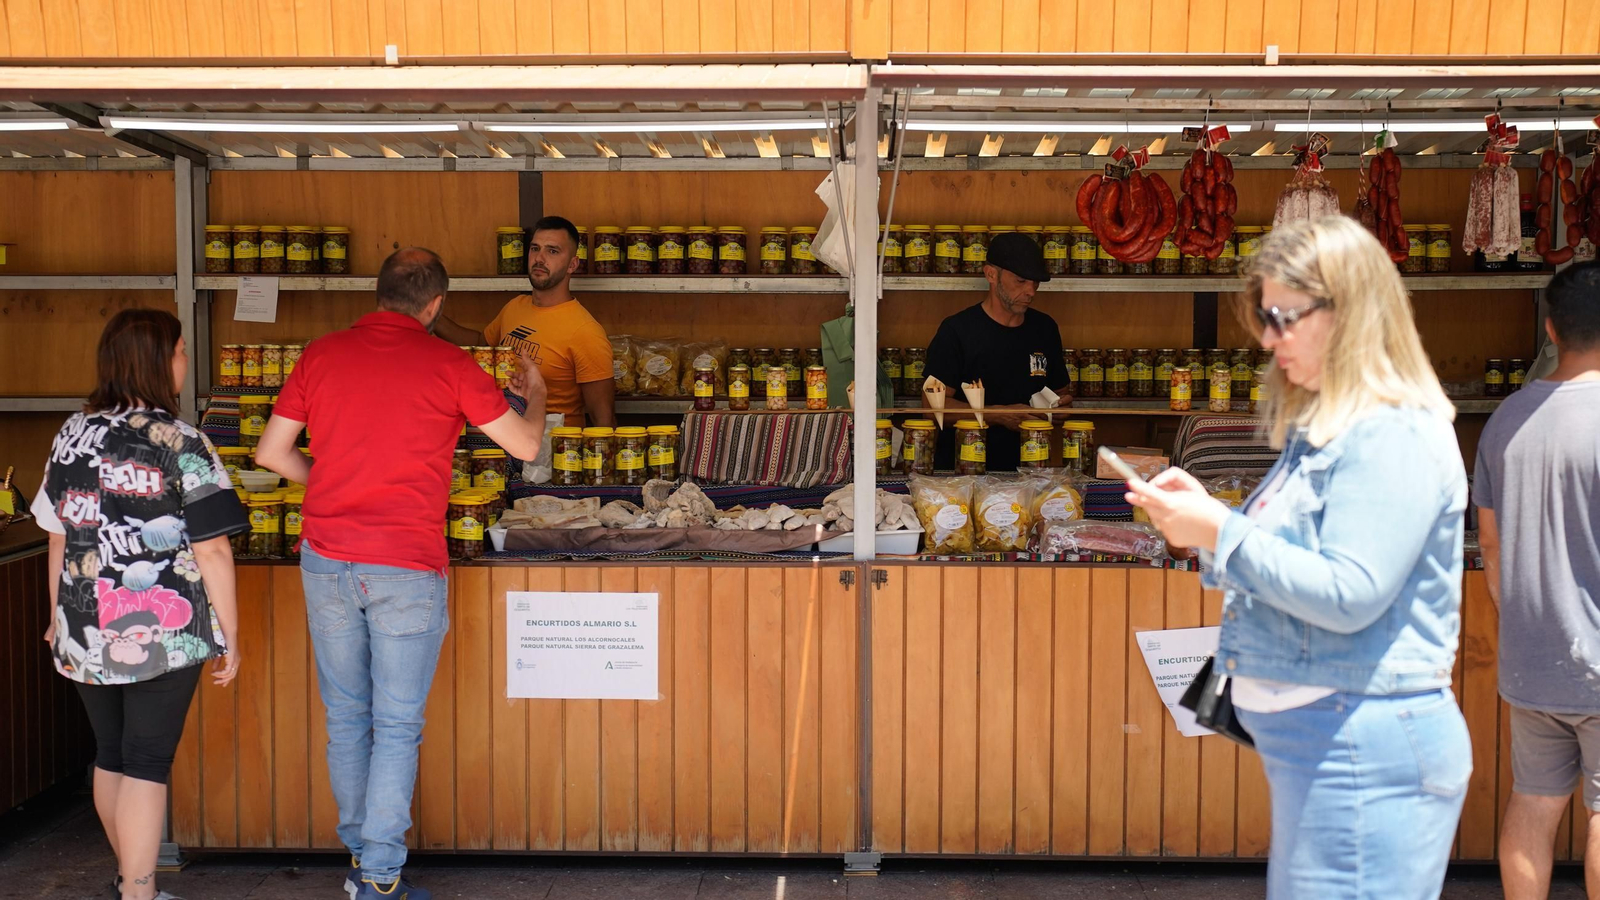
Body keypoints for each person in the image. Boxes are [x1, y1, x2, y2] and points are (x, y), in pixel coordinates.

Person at [1127, 216, 1470, 900]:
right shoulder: (1332, 429)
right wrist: (1207, 524)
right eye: (1264, 317)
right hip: (1333, 744)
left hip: (1360, 745)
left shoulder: (1391, 432)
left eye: (1283, 318)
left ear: (1349, 315)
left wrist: (1221, 532)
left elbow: (1350, 592)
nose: (1267, 339)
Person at [254, 248, 548, 900]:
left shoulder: (321, 354)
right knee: (395, 724)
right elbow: (527, 446)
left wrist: (327, 483)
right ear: (436, 304)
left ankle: (363, 862)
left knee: (346, 716)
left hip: (326, 557)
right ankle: (379, 875)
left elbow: (271, 452)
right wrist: (539, 396)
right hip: (405, 564)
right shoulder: (450, 364)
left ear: (378, 292)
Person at [30, 308, 246, 900]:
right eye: (180, 350)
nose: (185, 361)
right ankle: (140, 893)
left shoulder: (72, 434)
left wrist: (55, 616)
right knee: (147, 762)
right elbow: (213, 549)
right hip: (161, 627)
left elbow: (57, 535)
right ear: (158, 361)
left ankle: (131, 882)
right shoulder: (182, 441)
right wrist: (230, 633)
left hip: (81, 621)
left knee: (112, 755)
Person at [1475, 262, 1600, 900]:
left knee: (1533, 800)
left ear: (1551, 329)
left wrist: (1521, 621)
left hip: (1531, 659)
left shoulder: (1506, 419)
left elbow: (1490, 543)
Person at [432, 215, 615, 426]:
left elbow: (604, 419)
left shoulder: (585, 331)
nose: (539, 258)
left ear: (572, 264)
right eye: (535, 249)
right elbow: (482, 345)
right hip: (505, 435)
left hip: (551, 442)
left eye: (552, 251)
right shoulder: (515, 306)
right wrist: (431, 315)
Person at [923, 232, 1069, 470]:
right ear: (991, 274)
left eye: (1036, 283)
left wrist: (1060, 409)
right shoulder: (957, 330)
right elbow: (931, 406)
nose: (1031, 291)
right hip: (964, 473)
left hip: (1031, 472)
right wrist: (998, 414)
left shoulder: (1045, 329)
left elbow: (1061, 393)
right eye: (1021, 281)